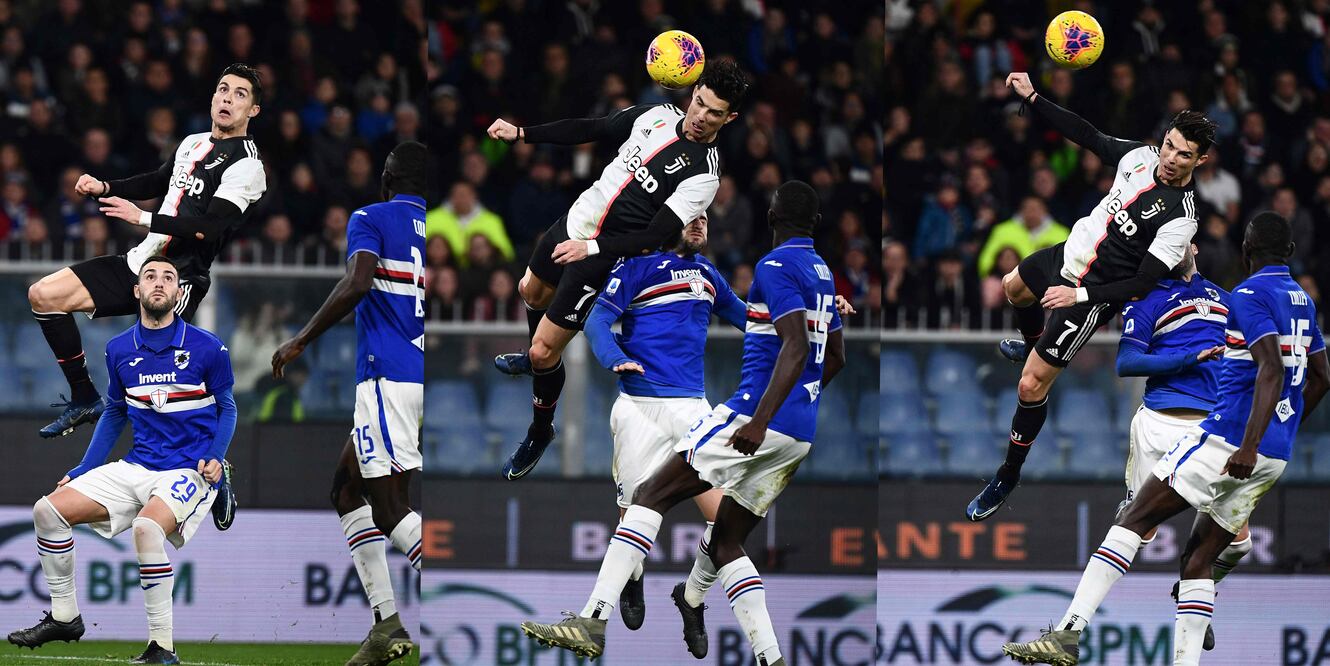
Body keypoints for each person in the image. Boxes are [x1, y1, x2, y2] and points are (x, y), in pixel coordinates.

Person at [519, 181, 845, 666]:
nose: (699, 221)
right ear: (668, 222)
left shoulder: (710, 275)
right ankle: (654, 589)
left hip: (695, 409)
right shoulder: (634, 268)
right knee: (638, 506)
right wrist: (614, 358)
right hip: (639, 406)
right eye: (691, 214)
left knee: (671, 509)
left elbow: (751, 319)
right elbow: (594, 321)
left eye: (705, 217)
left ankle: (599, 616)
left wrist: (809, 321)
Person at [1002, 212, 1329, 666]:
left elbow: (1270, 369)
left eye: (1185, 243)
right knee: (1174, 544)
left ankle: (1079, 631)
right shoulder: (1158, 298)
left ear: (1209, 249)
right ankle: (1124, 640)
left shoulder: (1237, 295)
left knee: (1173, 531)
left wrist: (1253, 437)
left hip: (1224, 433)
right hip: (1201, 431)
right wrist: (1196, 361)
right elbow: (1128, 362)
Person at [967, 71, 1217, 521]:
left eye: (1185, 154)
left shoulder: (1182, 218)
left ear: (1199, 161)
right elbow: (1089, 136)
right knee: (1011, 287)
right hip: (1070, 254)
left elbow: (1141, 285)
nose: (1172, 159)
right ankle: (1030, 342)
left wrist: (1078, 296)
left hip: (1092, 294)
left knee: (1030, 383)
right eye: (1170, 145)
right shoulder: (1141, 156)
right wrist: (1035, 98)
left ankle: (1007, 474)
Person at [26, 63, 265, 533]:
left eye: (239, 94)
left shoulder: (248, 167)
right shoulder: (193, 142)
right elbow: (161, 180)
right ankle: (82, 397)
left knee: (168, 386)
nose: (227, 98)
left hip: (180, 276)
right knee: (44, 294)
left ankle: (217, 469)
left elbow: (208, 227)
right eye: (222, 89)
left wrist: (142, 217)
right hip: (142, 259)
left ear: (252, 110)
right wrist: (107, 187)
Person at [484, 60, 749, 480]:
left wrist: (589, 248)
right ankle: (539, 361)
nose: (701, 117)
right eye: (699, 102)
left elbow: (652, 236)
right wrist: (522, 133)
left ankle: (540, 430)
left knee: (542, 351)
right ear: (693, 92)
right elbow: (591, 128)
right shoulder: (655, 115)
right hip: (575, 221)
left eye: (714, 113)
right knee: (529, 291)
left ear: (729, 118)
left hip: (604, 255)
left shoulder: (705, 176)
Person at [7, 256, 236, 665]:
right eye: (150, 276)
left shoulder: (208, 347)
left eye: (169, 277)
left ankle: (162, 648)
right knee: (47, 511)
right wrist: (82, 470)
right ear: (136, 290)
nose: (160, 283)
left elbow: (228, 408)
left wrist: (216, 457)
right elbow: (115, 412)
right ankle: (65, 617)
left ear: (180, 291)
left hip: (190, 467)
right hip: (138, 465)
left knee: (147, 530)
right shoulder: (118, 349)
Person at [271, 141, 427, 666]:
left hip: (386, 374)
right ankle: (387, 624)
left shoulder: (371, 216)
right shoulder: (433, 224)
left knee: (389, 508)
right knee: (345, 489)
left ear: (386, 177)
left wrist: (300, 340)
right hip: (418, 375)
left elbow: (359, 281)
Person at [1116, 242, 1247, 652]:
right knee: (1139, 530)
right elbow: (1127, 363)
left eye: (1181, 238)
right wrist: (1188, 358)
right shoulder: (1147, 299)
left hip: (1214, 429)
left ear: (1194, 245)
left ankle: (1192, 589)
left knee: (1240, 543)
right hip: (1161, 420)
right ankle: (1075, 621)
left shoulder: (1227, 301)